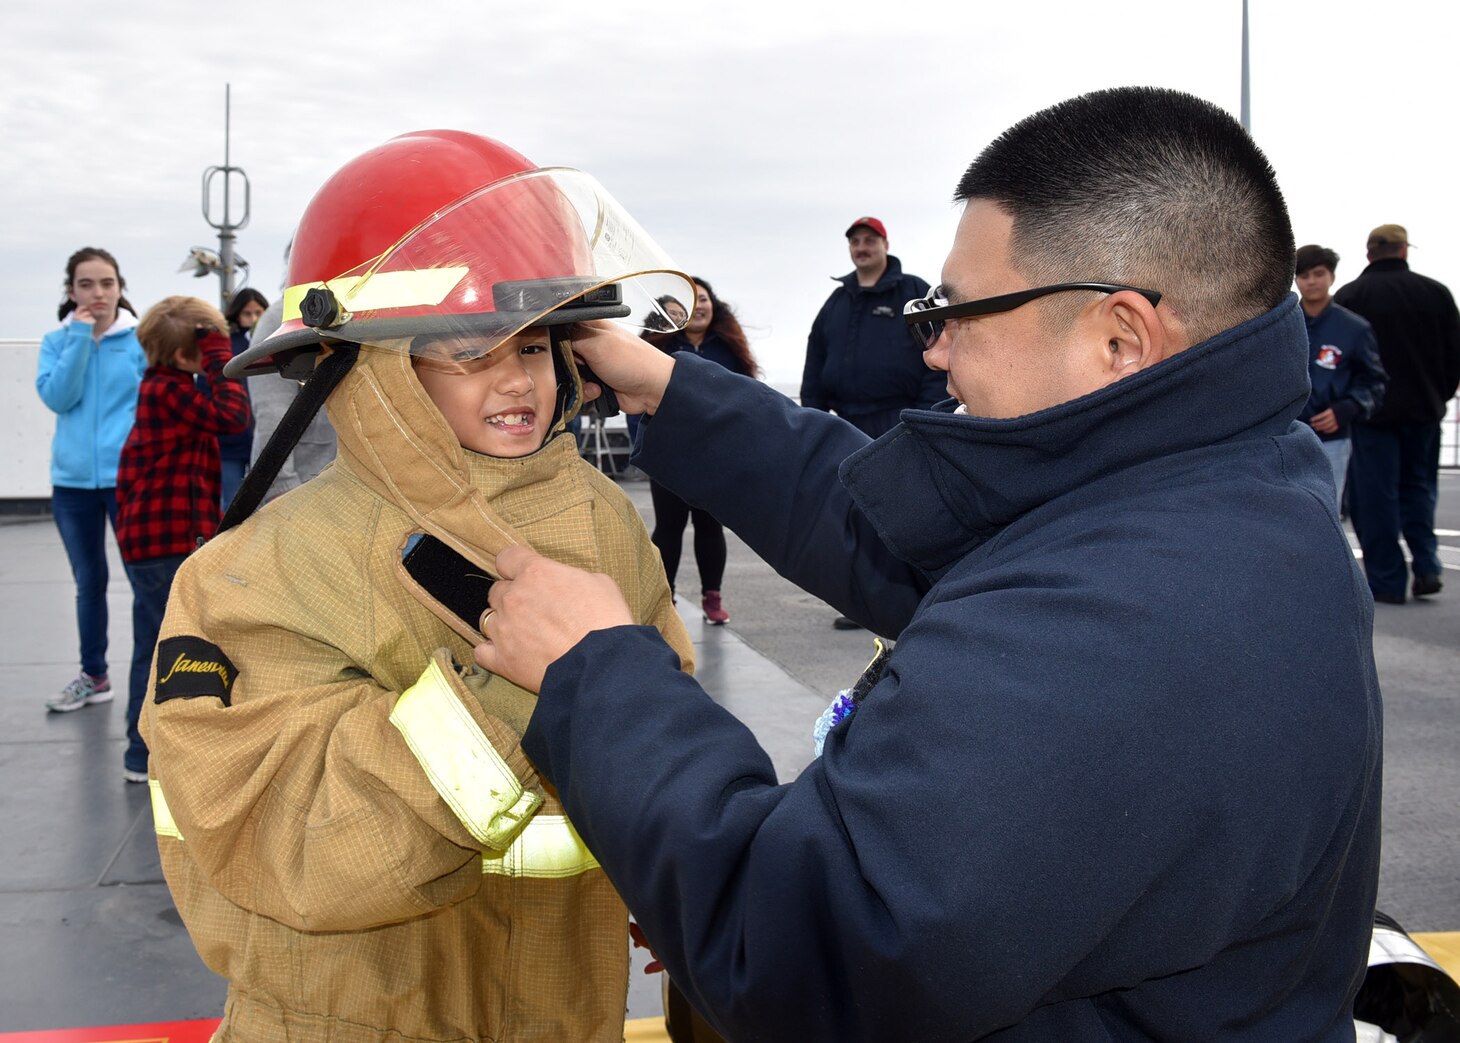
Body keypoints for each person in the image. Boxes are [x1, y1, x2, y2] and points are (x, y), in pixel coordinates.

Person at [474, 87, 1382, 1042]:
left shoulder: (1116, 629)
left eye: (959, 311)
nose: (936, 346)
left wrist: (599, 669)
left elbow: (806, 943)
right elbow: (908, 530)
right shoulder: (1219, 481)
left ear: (1121, 337)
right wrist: (667, 385)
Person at [139, 129, 695, 1043]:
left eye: (533, 342)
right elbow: (296, 841)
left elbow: (663, 709)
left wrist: (677, 865)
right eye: (471, 349)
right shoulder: (253, 573)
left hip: (568, 1009)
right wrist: (527, 683)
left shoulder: (602, 520)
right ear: (370, 366)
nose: (517, 379)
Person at [115, 297, 250, 783]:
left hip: (158, 542)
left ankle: (144, 750)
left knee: (153, 643)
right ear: (185, 353)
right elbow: (234, 415)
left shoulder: (167, 387)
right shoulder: (166, 390)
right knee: (163, 648)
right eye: (207, 342)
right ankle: (145, 753)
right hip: (161, 545)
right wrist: (220, 352)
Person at [36, 247, 146, 713]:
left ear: (120, 287)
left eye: (107, 283)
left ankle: (155, 677)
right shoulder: (57, 340)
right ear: (71, 290)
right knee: (89, 581)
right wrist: (80, 336)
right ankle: (94, 675)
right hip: (73, 484)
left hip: (129, 479)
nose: (97, 293)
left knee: (145, 581)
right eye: (86, 284)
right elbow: (59, 398)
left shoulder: (141, 340)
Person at [1335, 223, 1460, 603]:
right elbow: (1454, 357)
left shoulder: (1351, 297)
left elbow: (1341, 362)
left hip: (1372, 417)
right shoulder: (1435, 294)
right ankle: (1426, 565)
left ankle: (1387, 582)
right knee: (1418, 490)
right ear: (1404, 251)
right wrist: (1438, 395)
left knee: (1375, 499)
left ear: (1370, 253)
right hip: (1423, 411)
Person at [644, 279, 759, 624]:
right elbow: (634, 397)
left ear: (714, 305)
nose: (698, 306)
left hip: (716, 454)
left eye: (704, 299)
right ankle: (666, 596)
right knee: (668, 528)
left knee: (710, 527)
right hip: (667, 453)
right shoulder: (656, 344)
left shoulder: (729, 348)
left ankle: (713, 597)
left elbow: (748, 399)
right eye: (688, 301)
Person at [800, 215, 943, 438]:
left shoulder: (913, 292)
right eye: (855, 242)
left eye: (869, 241)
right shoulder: (836, 301)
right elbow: (814, 362)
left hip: (901, 424)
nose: (861, 248)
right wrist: (812, 420)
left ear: (885, 245)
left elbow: (941, 351)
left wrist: (924, 417)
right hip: (843, 427)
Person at [1294, 244, 1387, 507]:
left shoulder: (1354, 328)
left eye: (1318, 273)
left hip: (1332, 439)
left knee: (1327, 511)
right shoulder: (1282, 324)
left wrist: (1347, 408)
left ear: (1332, 276)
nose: (1312, 281)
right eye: (1304, 275)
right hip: (1285, 436)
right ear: (1295, 279)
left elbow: (1374, 382)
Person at [245, 294, 339, 504]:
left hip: (349, 492)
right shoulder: (281, 318)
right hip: (304, 489)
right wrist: (282, 489)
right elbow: (272, 414)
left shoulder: (365, 309)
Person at [215, 287, 268, 509]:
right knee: (231, 503)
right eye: (248, 313)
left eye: (259, 312)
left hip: (264, 434)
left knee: (265, 501)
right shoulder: (226, 344)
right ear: (237, 314)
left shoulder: (271, 342)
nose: (253, 318)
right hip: (231, 439)